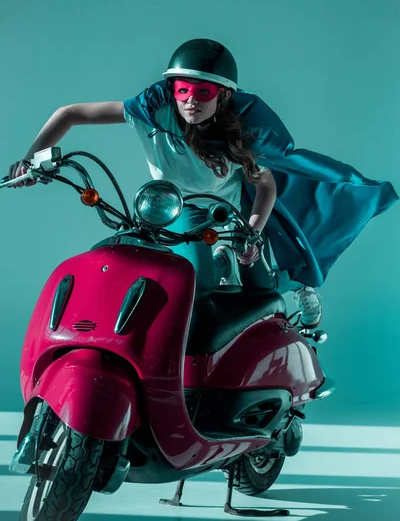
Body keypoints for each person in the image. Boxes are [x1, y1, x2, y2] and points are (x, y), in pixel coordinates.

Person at [9, 39, 398, 329]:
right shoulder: (150, 113)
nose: (190, 101)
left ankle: (296, 287)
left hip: (222, 219)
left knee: (244, 287)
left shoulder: (240, 136)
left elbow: (266, 188)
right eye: (183, 91)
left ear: (223, 95)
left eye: (203, 92)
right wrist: (32, 158)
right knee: (109, 258)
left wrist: (252, 232)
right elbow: (70, 113)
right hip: (163, 210)